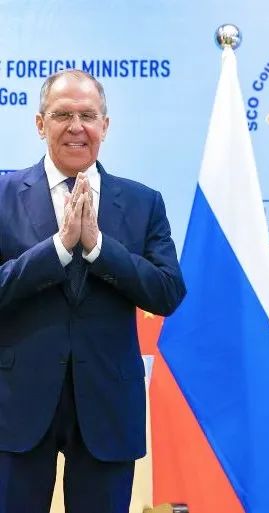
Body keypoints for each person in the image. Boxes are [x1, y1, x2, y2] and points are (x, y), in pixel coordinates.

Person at [0, 69, 186, 513]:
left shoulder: (143, 202)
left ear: (105, 124)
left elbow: (167, 292)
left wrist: (100, 248)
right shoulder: (3, 195)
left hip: (107, 406)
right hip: (17, 407)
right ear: (40, 124)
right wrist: (58, 249)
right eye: (62, 115)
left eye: (87, 115)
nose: (76, 127)